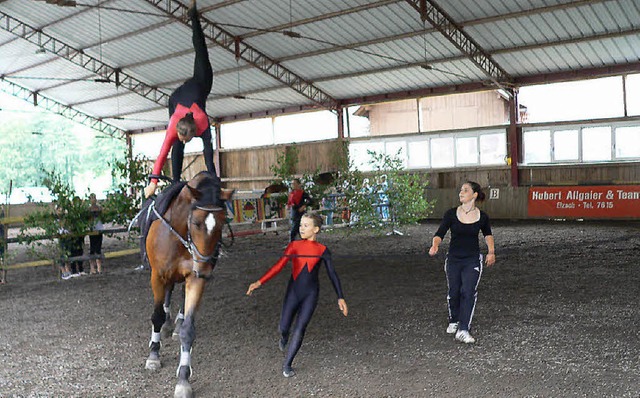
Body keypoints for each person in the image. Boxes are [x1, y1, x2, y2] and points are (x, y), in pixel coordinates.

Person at [246, 213, 348, 378]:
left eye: (306, 225)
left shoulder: (323, 250)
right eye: (300, 225)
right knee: (284, 326)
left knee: (300, 328)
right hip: (293, 292)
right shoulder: (294, 246)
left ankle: (287, 364)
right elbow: (278, 266)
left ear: (316, 229)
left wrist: (340, 297)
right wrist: (259, 282)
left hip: (311, 294)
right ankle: (284, 336)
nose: (301, 228)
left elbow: (332, 275)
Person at [144, 0, 215, 198]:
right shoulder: (174, 126)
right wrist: (153, 182)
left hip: (201, 83)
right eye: (182, 137)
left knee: (202, 52)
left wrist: (213, 181)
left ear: (194, 134)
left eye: (186, 139)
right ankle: (175, 182)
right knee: (175, 145)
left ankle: (194, 15)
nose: (184, 140)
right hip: (175, 99)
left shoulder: (202, 122)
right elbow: (161, 154)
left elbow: (209, 154)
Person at [428, 181, 495, 344]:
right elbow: (440, 233)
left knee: (468, 291)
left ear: (474, 195)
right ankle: (454, 319)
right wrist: (435, 245)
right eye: (460, 190)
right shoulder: (451, 214)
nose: (461, 192)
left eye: (465, 190)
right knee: (454, 291)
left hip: (472, 259)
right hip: (453, 259)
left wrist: (491, 252)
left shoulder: (482, 216)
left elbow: (488, 235)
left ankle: (463, 329)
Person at [88, 193, 104, 274]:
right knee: (92, 248)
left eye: (94, 198)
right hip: (92, 230)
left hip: (99, 229)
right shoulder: (88, 209)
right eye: (92, 198)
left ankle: (99, 267)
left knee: (98, 248)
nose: (93, 200)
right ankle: (92, 268)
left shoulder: (99, 208)